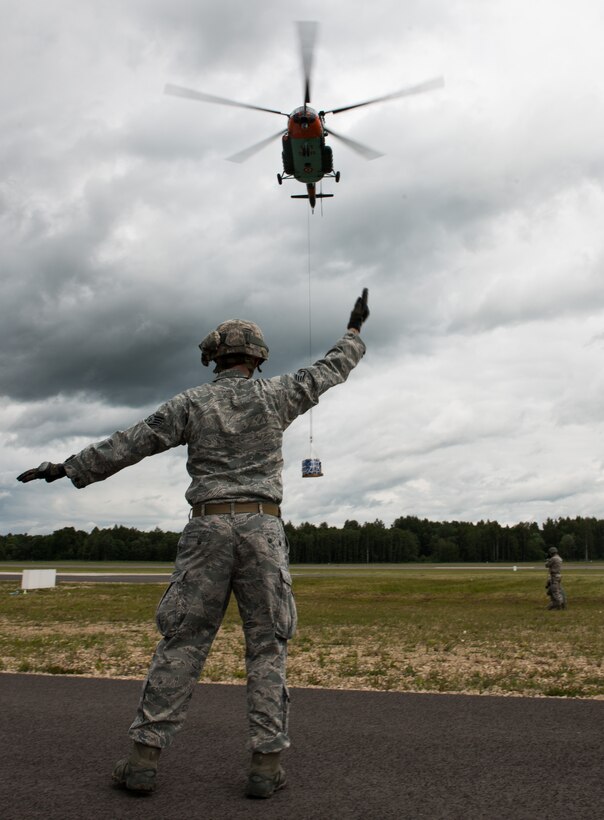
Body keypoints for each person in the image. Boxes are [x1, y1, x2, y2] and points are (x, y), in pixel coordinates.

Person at [16, 289, 369, 798]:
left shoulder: (191, 403)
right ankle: (265, 766)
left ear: (215, 358)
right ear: (258, 358)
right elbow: (332, 368)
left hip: (205, 529)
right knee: (267, 646)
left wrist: (67, 468)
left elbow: (130, 442)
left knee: (182, 642)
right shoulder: (280, 394)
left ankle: (143, 760)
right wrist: (354, 330)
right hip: (263, 528)